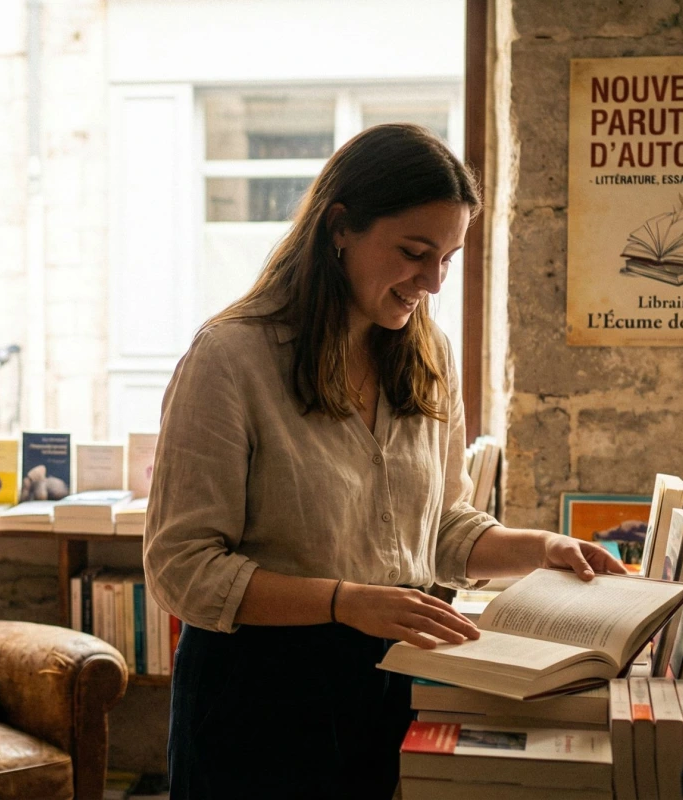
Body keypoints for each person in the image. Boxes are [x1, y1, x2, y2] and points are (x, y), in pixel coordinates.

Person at [142, 124, 625, 800]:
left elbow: (437, 528)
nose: (431, 282)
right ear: (340, 228)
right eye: (413, 252)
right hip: (258, 698)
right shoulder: (230, 360)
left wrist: (540, 550)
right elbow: (182, 568)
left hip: (391, 684)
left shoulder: (430, 358)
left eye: (449, 258)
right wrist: (344, 603)